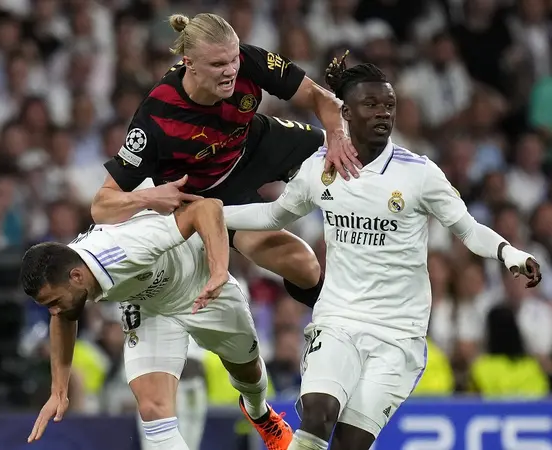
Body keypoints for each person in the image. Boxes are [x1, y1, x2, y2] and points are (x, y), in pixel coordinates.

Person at [221, 60, 542, 450]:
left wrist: (508, 252)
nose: (383, 114)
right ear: (345, 112)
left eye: (389, 105)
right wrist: (211, 212)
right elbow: (273, 215)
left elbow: (469, 229)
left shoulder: (419, 174)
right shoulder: (321, 168)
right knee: (318, 413)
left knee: (350, 444)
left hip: (398, 334)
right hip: (338, 319)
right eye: (371, 105)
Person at [91, 13, 362, 310]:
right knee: (303, 266)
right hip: (215, 195)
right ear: (189, 63)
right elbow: (102, 205)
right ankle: (335, 317)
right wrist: (150, 196)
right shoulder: (155, 118)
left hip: (255, 141)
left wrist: (337, 136)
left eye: (233, 60)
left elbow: (319, 97)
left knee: (354, 152)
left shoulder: (247, 59)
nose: (231, 71)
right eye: (218, 64)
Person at [20, 200, 293, 450]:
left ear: (77, 276)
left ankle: (259, 413)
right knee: (153, 409)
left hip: (198, 287)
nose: (53, 311)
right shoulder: (70, 277)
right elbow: (63, 317)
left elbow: (207, 208)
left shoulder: (128, 248)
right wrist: (58, 391)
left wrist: (219, 270)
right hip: (148, 306)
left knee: (247, 371)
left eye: (54, 301)